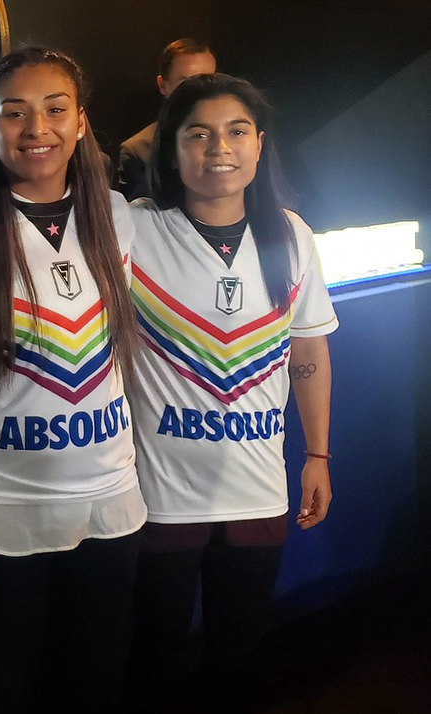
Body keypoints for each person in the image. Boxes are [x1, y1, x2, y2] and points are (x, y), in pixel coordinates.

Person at [0, 47, 145, 714]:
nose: (37, 129)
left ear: (81, 122)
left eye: (55, 110)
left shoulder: (117, 214)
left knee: (97, 678)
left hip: (110, 499)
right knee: (7, 685)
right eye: (15, 113)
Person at [125, 73, 337, 713]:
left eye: (236, 131)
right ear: (171, 148)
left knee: (235, 658)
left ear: (260, 143)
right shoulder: (131, 227)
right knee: (153, 659)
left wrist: (318, 456)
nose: (220, 147)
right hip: (159, 494)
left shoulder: (292, 234)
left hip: (256, 488)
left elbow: (308, 349)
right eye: (199, 134)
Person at [115, 38, 216, 201]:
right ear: (163, 85)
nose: (199, 91)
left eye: (208, 80)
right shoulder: (139, 150)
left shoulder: (236, 143)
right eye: (186, 82)